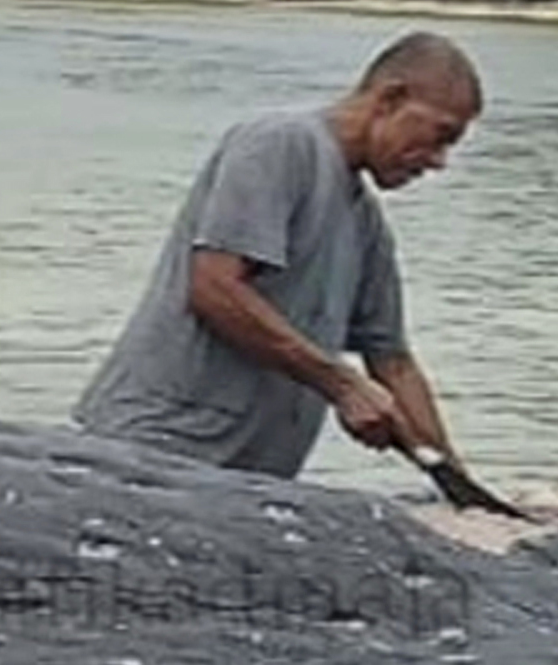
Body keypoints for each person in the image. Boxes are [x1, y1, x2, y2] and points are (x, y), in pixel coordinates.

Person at [73, 32, 483, 477]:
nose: (440, 161)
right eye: (441, 135)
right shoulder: (280, 143)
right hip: (159, 445)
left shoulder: (364, 223)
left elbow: (394, 363)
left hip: (254, 476)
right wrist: (340, 383)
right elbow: (214, 288)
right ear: (389, 98)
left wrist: (456, 480)